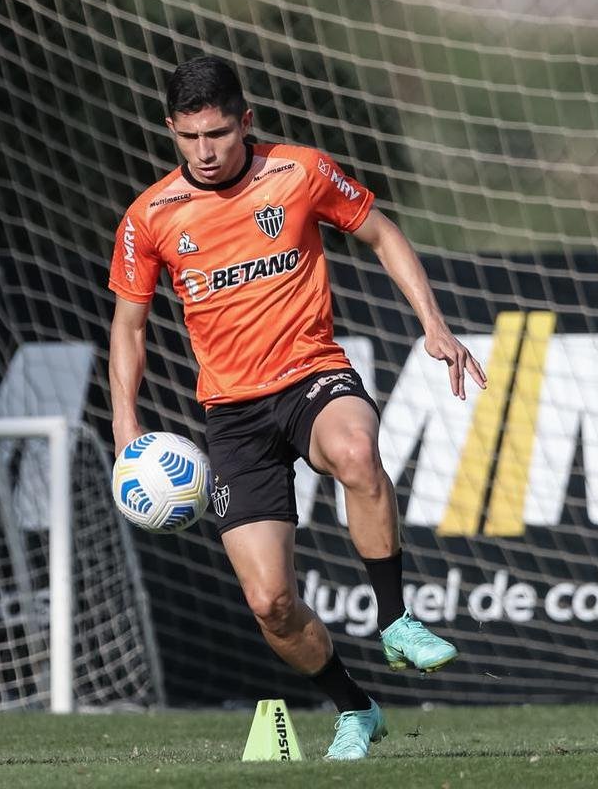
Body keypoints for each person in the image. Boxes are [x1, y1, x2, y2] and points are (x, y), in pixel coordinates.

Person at [107, 56, 486, 760]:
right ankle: (356, 707)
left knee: (355, 452)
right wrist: (126, 426)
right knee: (270, 605)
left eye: (218, 133)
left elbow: (382, 232)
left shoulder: (300, 171)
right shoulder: (149, 217)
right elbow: (129, 327)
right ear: (171, 131)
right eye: (189, 138)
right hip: (233, 416)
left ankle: (397, 619)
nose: (206, 151)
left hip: (311, 375)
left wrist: (433, 323)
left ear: (245, 122)